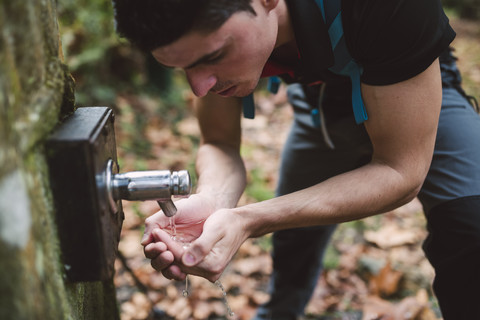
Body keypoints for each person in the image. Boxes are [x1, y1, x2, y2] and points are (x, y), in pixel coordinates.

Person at [113, 0, 480, 319]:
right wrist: (215, 201)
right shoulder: (212, 37)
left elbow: (400, 170)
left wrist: (249, 220)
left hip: (413, 88)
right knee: (295, 240)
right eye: (183, 69)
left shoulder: (389, 6)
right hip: (321, 105)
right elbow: (220, 142)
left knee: (470, 228)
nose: (199, 88)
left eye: (213, 57)